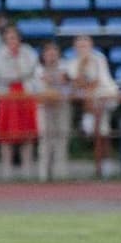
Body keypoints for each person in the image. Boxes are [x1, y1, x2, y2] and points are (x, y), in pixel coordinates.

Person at [67, 34, 120, 177]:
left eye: (86, 45)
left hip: (106, 95)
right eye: (80, 46)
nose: (83, 48)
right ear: (75, 48)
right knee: (97, 130)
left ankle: (105, 164)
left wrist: (84, 83)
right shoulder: (72, 63)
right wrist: (82, 66)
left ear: (91, 46)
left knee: (103, 130)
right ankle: (99, 164)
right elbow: (77, 83)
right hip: (89, 100)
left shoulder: (99, 58)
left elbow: (96, 82)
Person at [0, 25, 40, 178]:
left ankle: (28, 171)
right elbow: (3, 73)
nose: (12, 40)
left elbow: (31, 69)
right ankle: (6, 171)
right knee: (6, 136)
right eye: (9, 37)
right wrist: (19, 72)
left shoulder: (28, 51)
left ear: (20, 38)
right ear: (4, 38)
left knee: (27, 135)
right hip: (7, 97)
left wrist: (18, 69)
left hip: (26, 95)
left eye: (14, 37)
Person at [34, 41, 73, 181]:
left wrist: (61, 79)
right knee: (45, 140)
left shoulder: (65, 66)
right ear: (43, 55)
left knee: (62, 139)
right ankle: (43, 175)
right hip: (44, 107)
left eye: (54, 52)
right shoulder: (38, 69)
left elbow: (68, 83)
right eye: (48, 52)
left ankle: (61, 175)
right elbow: (38, 88)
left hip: (61, 106)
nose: (51, 55)